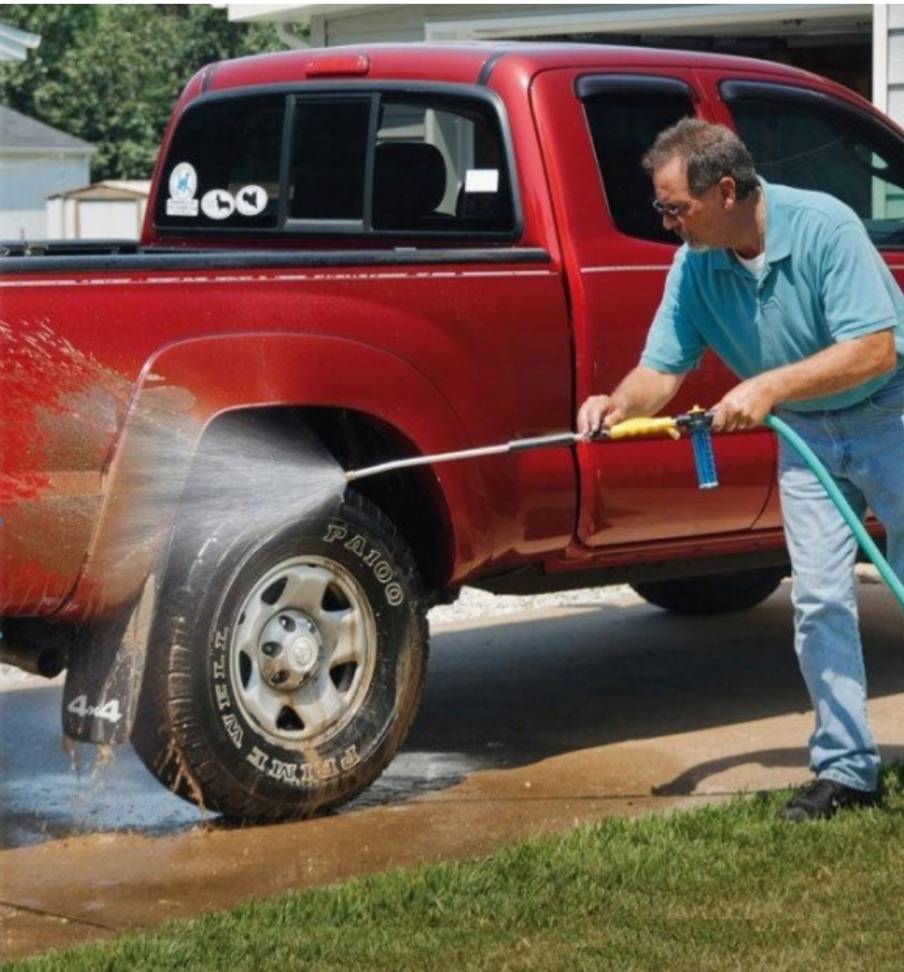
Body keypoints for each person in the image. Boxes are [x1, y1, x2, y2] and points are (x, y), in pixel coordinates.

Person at [577, 119, 904, 821]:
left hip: (890, 416)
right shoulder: (695, 265)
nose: (665, 223)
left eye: (674, 208)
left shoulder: (825, 228)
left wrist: (766, 387)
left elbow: (876, 349)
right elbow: (660, 369)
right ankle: (846, 771)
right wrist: (617, 402)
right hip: (807, 437)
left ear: (726, 190)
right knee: (818, 601)